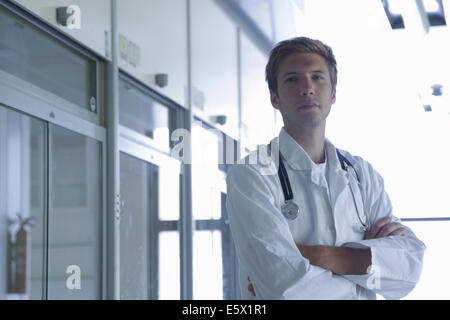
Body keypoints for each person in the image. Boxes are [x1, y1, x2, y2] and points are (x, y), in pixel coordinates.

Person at [226, 37, 426, 300]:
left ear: (333, 94)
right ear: (274, 98)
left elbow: (407, 268)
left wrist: (320, 255)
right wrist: (359, 277)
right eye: (292, 79)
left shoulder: (361, 175)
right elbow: (284, 287)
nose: (307, 88)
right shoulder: (252, 175)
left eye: (317, 77)